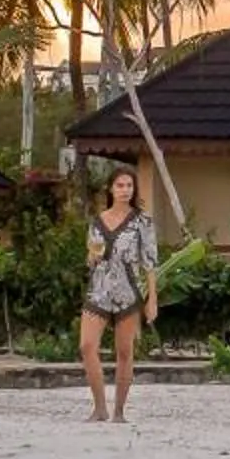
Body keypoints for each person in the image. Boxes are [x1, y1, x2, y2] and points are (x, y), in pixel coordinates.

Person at [80, 166, 160, 422]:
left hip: (128, 292)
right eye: (120, 185)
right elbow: (90, 259)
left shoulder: (142, 222)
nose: (125, 190)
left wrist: (152, 299)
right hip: (99, 291)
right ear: (111, 189)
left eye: (129, 186)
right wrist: (92, 258)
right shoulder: (97, 221)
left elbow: (150, 262)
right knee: (87, 346)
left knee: (124, 352)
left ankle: (119, 412)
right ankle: (99, 407)